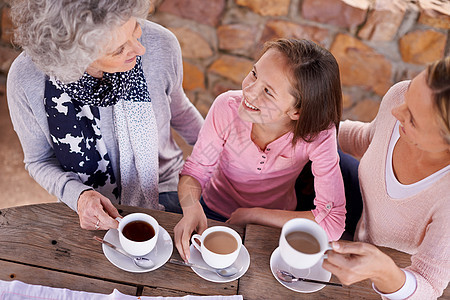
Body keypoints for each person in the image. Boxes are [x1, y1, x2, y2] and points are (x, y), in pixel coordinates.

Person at [7, 0, 203, 231]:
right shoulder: (25, 80)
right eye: (118, 49)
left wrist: (222, 151)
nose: (140, 50)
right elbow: (38, 161)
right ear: (75, 57)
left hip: (163, 185)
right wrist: (79, 197)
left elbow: (179, 109)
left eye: (135, 28)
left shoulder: (162, 44)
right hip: (89, 201)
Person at [174, 38, 346, 261]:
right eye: (254, 74)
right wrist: (190, 206)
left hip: (272, 226)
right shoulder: (226, 107)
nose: (249, 91)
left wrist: (254, 215)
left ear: (297, 112)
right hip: (210, 212)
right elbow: (196, 171)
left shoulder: (318, 136)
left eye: (268, 91)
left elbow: (332, 222)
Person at [323, 57, 450, 299]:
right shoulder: (399, 95)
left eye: (412, 119)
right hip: (356, 216)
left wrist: (384, 272)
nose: (396, 111)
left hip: (385, 268)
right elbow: (368, 138)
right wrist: (306, 124)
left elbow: (430, 286)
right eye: (411, 90)